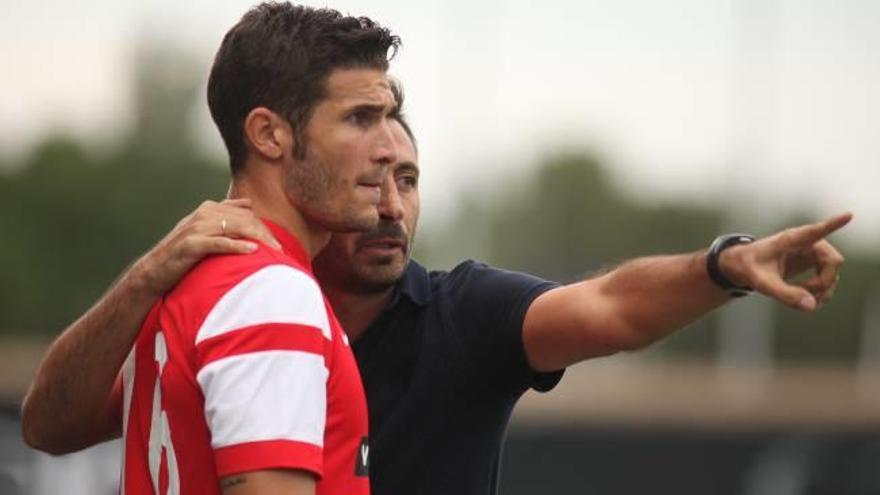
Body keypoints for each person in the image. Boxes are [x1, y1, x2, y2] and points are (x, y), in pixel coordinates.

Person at [23, 55, 851, 495]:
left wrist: (724, 265)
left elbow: (611, 306)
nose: (390, 202)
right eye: (372, 168)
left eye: (411, 180)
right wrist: (138, 283)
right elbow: (51, 425)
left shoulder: (465, 313)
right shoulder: (243, 307)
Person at [22, 3, 403, 494]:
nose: (388, 147)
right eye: (359, 118)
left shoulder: (196, 280)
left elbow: (46, 427)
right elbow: (45, 426)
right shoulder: (271, 292)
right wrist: (141, 277)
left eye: (386, 117)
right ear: (269, 134)